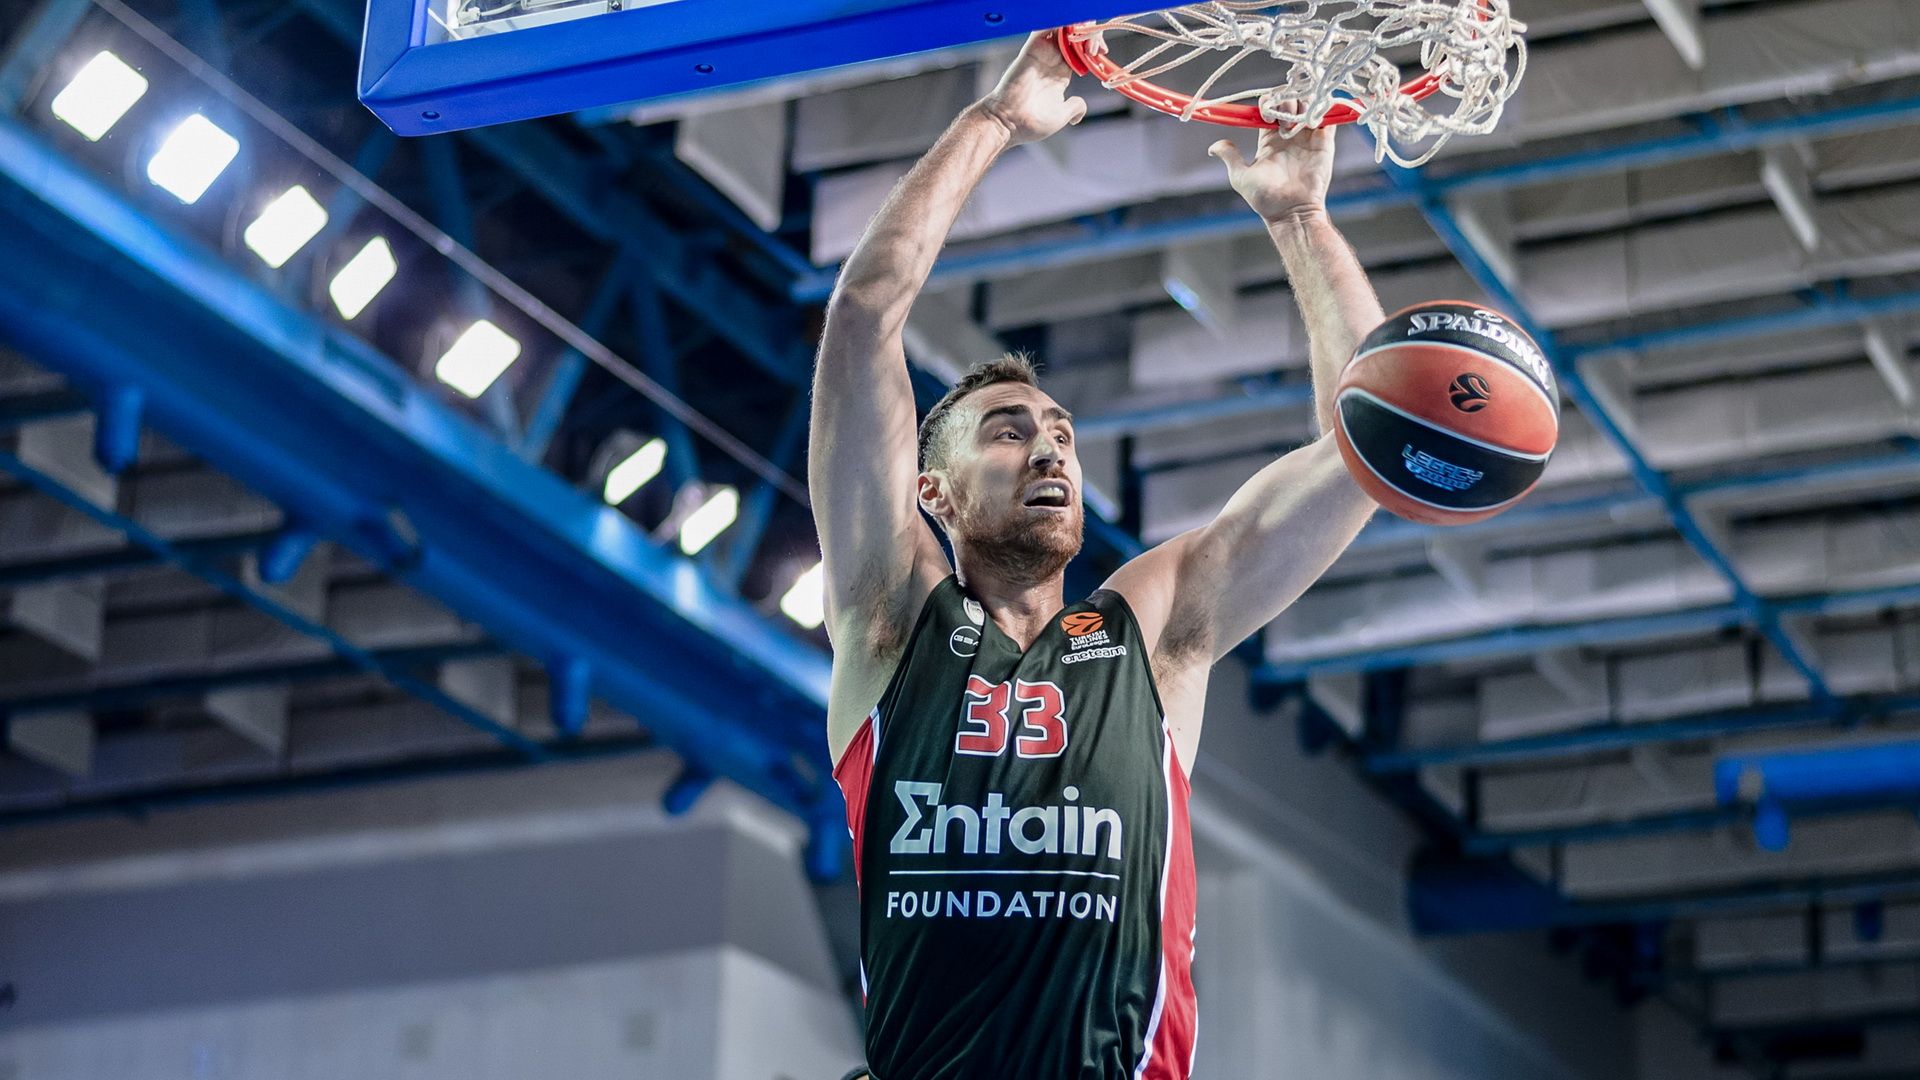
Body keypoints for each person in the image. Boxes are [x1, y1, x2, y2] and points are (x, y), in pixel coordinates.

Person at [810, 30, 1381, 1080]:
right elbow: (863, 319)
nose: (1050, 450)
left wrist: (1301, 219)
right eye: (1009, 431)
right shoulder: (892, 621)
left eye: (1063, 433)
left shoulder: (1150, 630)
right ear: (933, 492)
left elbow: (1362, 452)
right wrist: (995, 122)